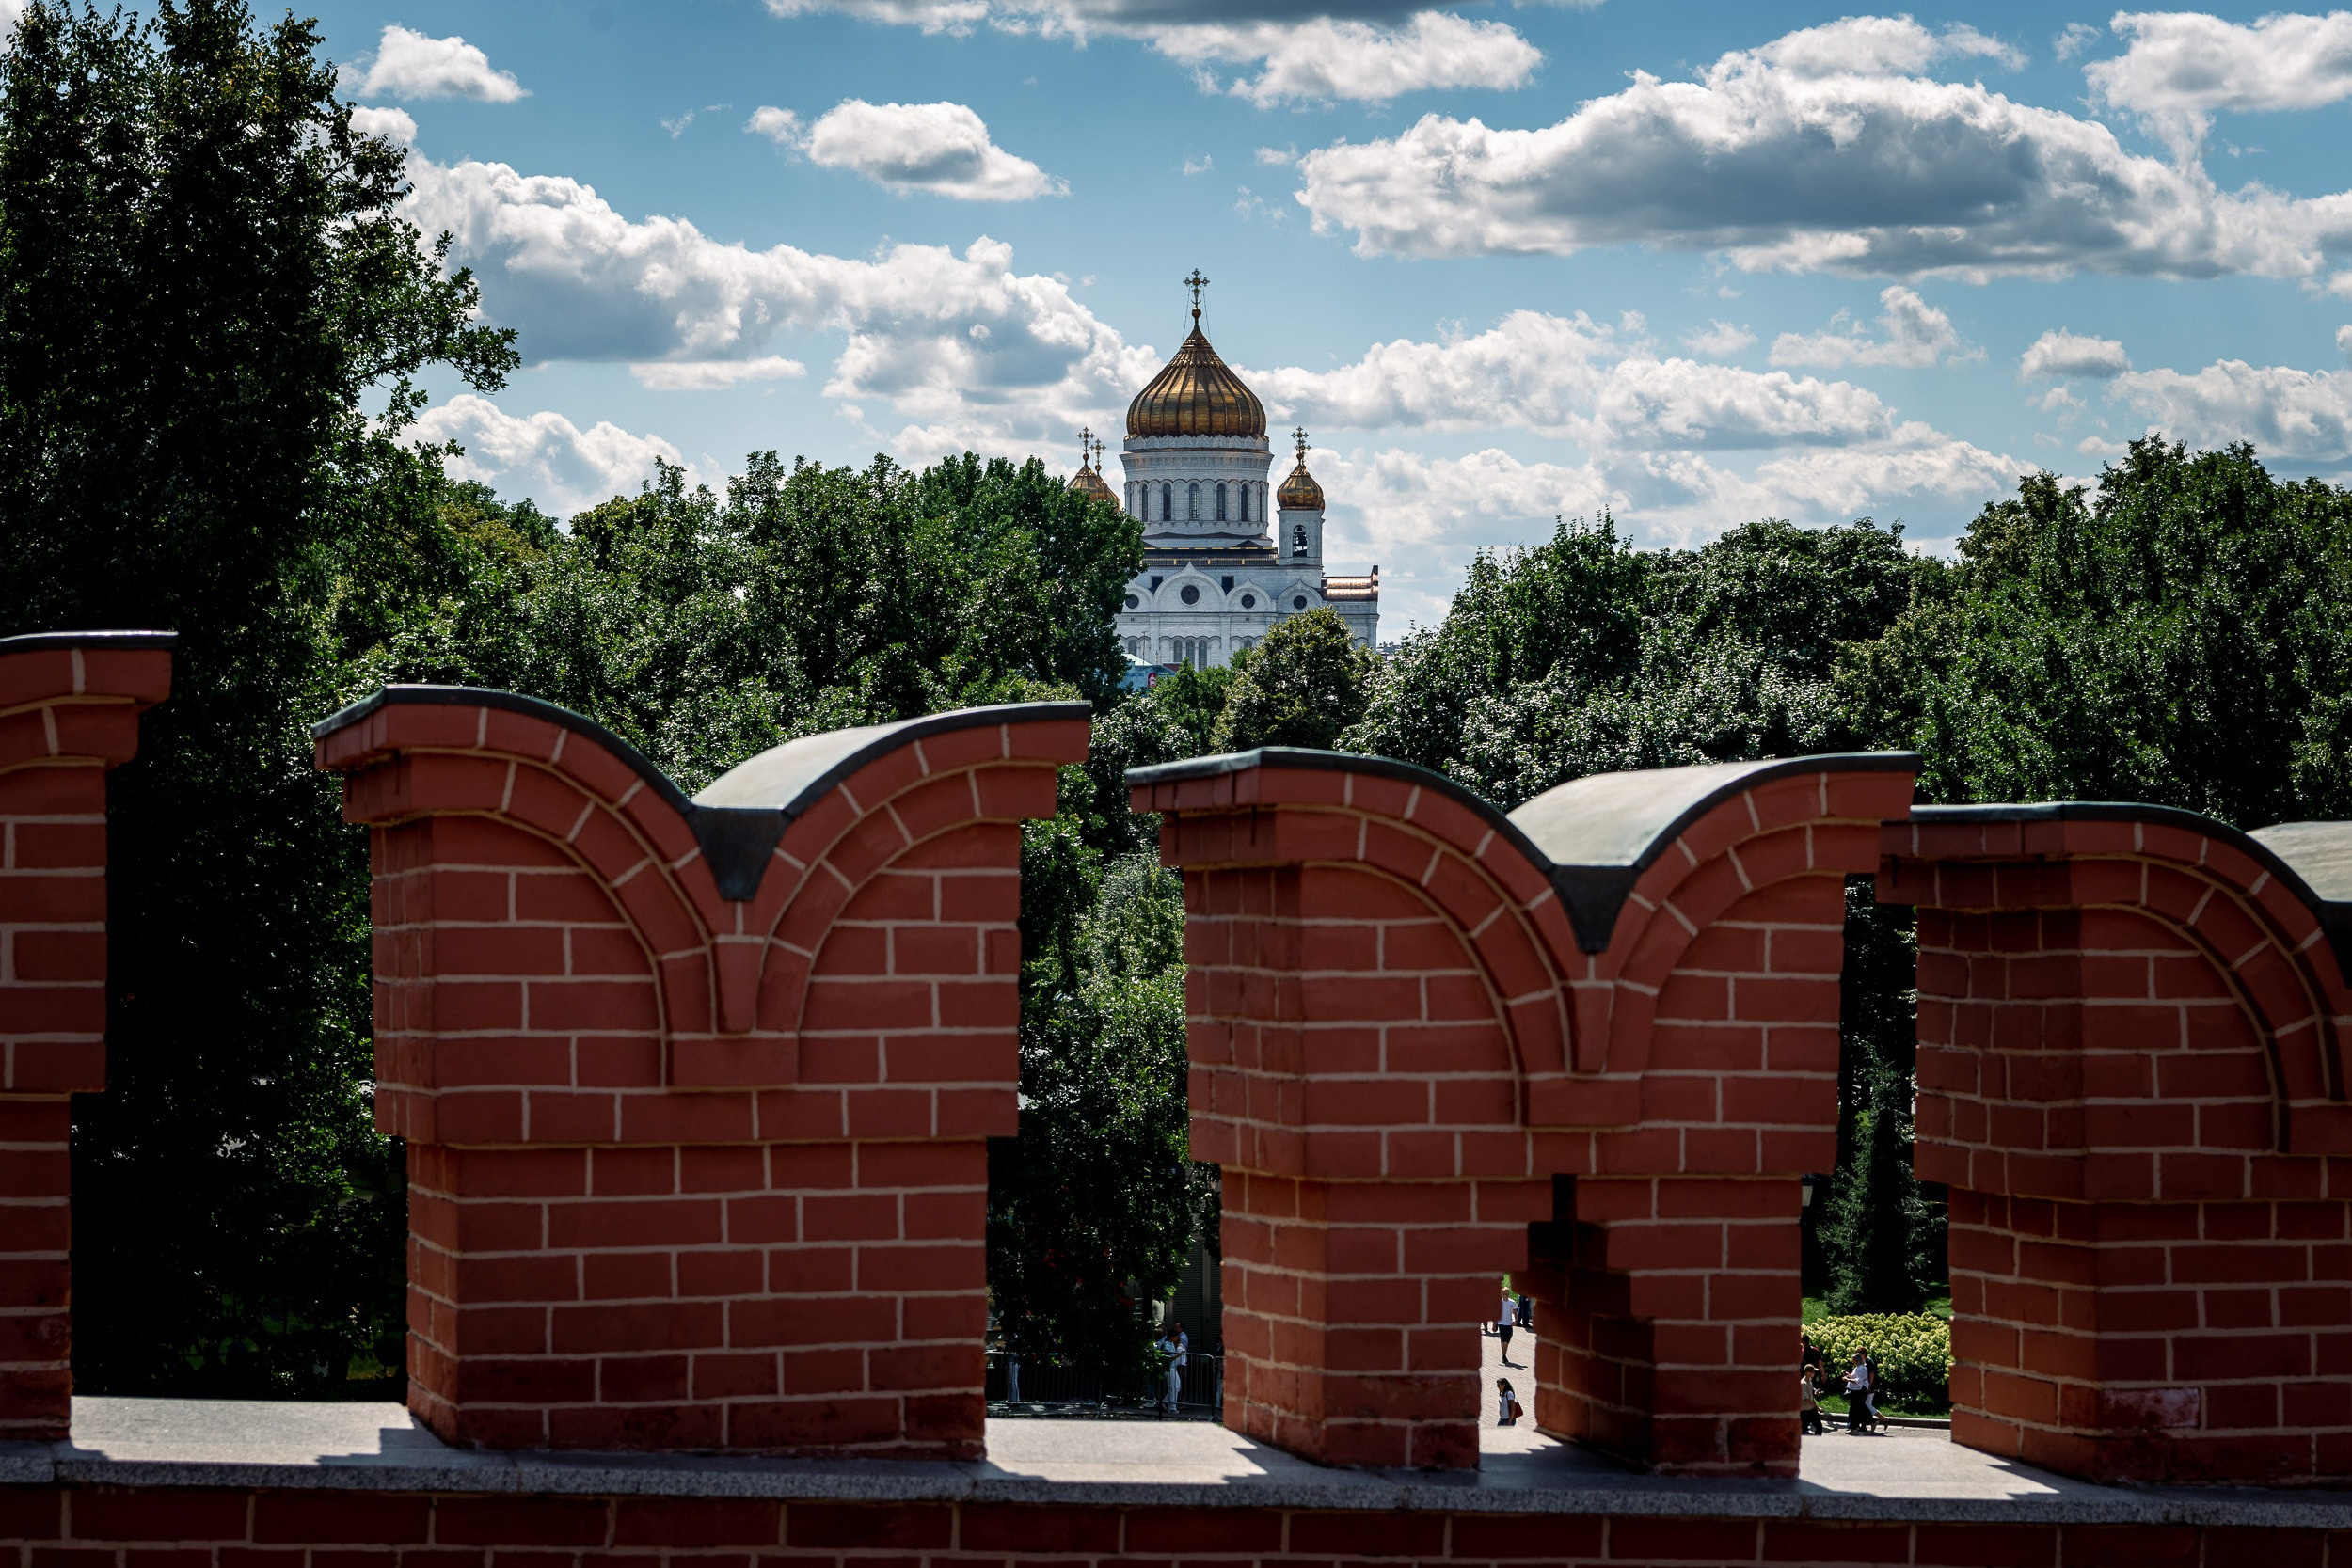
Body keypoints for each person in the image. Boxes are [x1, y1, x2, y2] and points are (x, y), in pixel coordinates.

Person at [1842, 1351, 1872, 1433]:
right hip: (1857, 1390)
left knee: (1854, 1409)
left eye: (1854, 1360)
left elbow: (1858, 1381)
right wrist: (1849, 1375)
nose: (1853, 1361)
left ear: (1857, 1360)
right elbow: (1856, 1377)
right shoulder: (1858, 1367)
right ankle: (1857, 1426)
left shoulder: (1861, 1368)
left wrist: (1847, 1379)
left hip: (1859, 1390)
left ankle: (1854, 1428)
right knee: (1857, 1408)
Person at [1799, 1364, 1824, 1435]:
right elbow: (1807, 1399)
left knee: (1819, 1427)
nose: (1814, 1373)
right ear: (1807, 1372)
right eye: (1813, 1372)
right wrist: (1817, 1408)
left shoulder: (1809, 1380)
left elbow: (1811, 1392)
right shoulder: (1803, 1383)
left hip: (1811, 1409)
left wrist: (1815, 1393)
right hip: (1805, 1411)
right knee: (1803, 1430)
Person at [1497, 1294, 1516, 1365]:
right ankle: (1504, 1356)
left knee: (1508, 1337)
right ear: (1502, 1294)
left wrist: (1514, 1320)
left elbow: (1514, 1312)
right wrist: (1494, 1324)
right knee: (1503, 1339)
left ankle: (1504, 1353)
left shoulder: (1512, 1302)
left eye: (1507, 1292)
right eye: (1505, 1293)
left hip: (1509, 1323)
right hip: (1501, 1323)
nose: (1506, 1294)